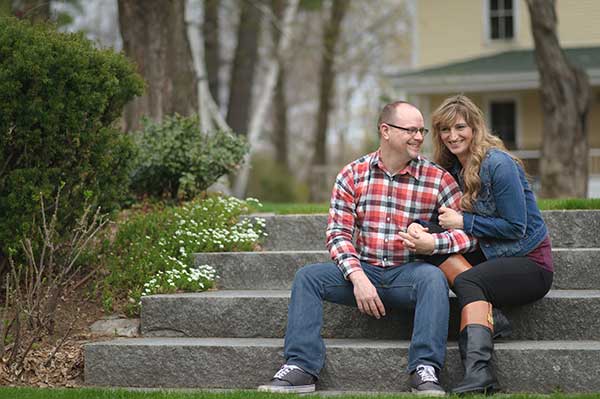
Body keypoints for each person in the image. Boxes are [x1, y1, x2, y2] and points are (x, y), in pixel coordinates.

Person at [258, 101, 478, 395]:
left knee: (433, 278)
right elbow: (337, 234)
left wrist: (432, 243)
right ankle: (301, 367)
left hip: (408, 275)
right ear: (385, 131)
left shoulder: (437, 178)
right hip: (365, 272)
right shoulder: (353, 174)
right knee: (307, 277)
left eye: (421, 131)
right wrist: (358, 277)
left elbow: (467, 236)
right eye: (410, 130)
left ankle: (425, 369)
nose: (418, 137)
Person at [400, 95, 554, 394]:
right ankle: (491, 315)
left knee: (471, 281)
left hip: (529, 262)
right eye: (445, 130)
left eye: (460, 127)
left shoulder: (498, 163)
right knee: (430, 240)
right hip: (494, 256)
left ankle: (480, 370)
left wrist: (463, 222)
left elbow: (515, 227)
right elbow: (441, 221)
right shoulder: (453, 167)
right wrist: (420, 229)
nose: (452, 136)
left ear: (475, 127)